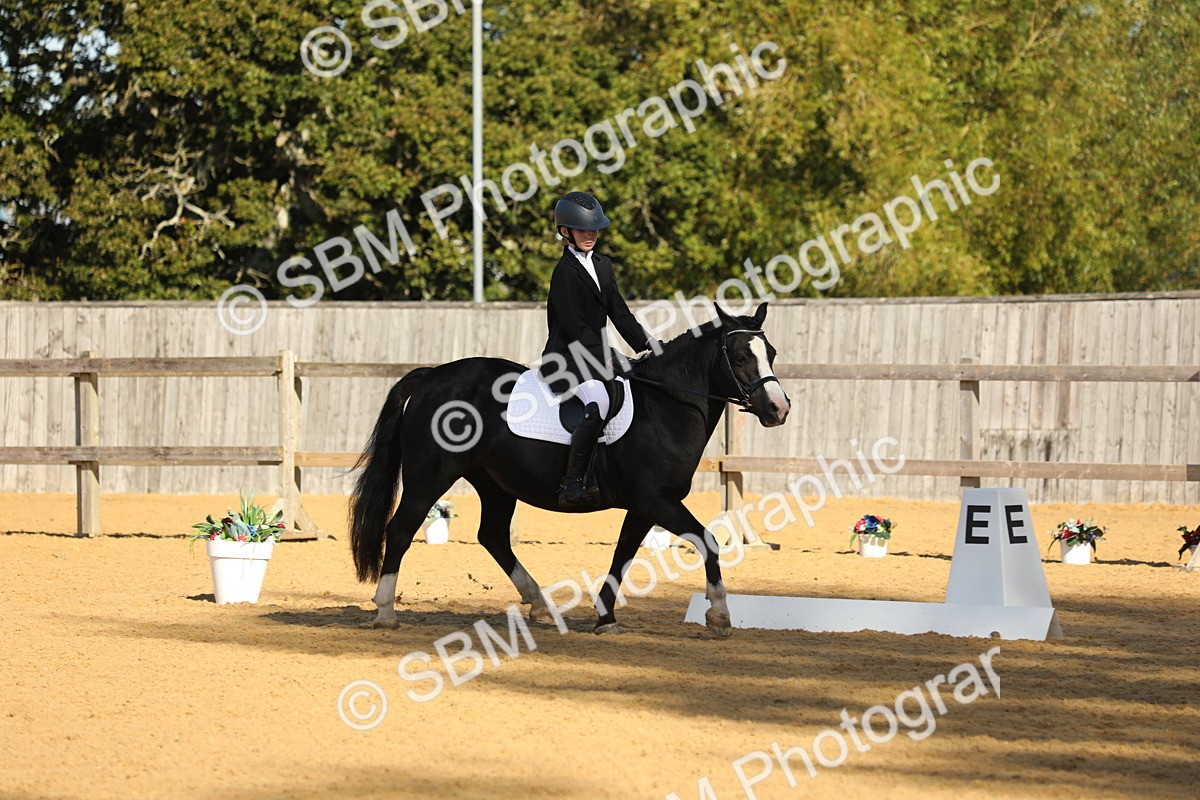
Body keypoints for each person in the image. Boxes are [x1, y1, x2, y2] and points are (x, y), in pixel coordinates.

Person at [540, 191, 656, 509]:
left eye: (594, 229)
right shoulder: (564, 273)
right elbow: (577, 328)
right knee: (599, 399)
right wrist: (612, 357)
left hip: (594, 355)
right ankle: (573, 481)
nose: (590, 235)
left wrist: (650, 344)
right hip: (565, 359)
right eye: (582, 230)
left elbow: (620, 313)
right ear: (566, 232)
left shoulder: (603, 266)